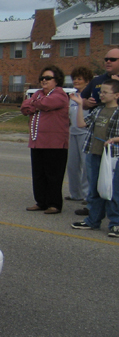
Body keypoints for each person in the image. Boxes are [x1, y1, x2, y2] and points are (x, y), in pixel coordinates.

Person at [70, 78, 119, 238]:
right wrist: (79, 105)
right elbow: (81, 124)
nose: (101, 95)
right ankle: (93, 220)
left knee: (112, 190)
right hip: (94, 154)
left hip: (112, 159)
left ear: (116, 95)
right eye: (100, 91)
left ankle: (115, 224)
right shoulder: (98, 110)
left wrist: (115, 140)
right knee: (95, 189)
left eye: (105, 92)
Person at [20, 66, 69, 214]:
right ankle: (41, 202)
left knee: (53, 174)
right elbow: (24, 107)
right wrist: (35, 103)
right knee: (38, 174)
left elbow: (46, 104)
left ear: (57, 80)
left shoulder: (60, 95)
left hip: (55, 143)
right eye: (42, 78)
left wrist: (34, 103)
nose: (44, 80)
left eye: (48, 78)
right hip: (37, 141)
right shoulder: (38, 94)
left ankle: (54, 204)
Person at [67, 66, 94, 204]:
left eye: (80, 79)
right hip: (73, 133)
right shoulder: (73, 96)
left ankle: (86, 195)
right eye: (75, 79)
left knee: (86, 166)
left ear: (87, 81)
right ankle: (75, 193)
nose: (76, 81)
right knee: (72, 165)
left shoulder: (90, 97)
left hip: (86, 134)